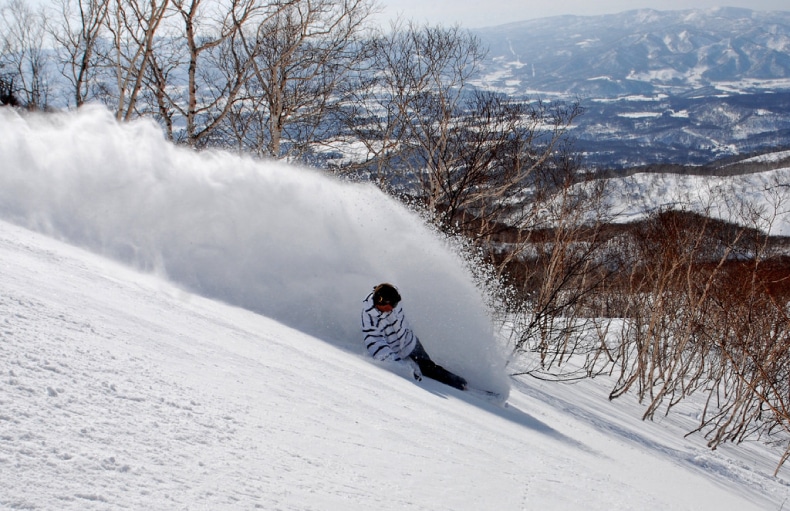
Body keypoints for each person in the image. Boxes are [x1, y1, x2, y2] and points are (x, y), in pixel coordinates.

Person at [361, 283, 467, 391]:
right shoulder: (370, 320)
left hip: (409, 340)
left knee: (429, 367)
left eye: (395, 305)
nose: (393, 309)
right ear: (380, 302)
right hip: (395, 351)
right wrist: (405, 369)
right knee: (424, 370)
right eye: (390, 307)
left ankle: (459, 382)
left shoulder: (393, 298)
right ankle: (457, 386)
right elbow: (379, 349)